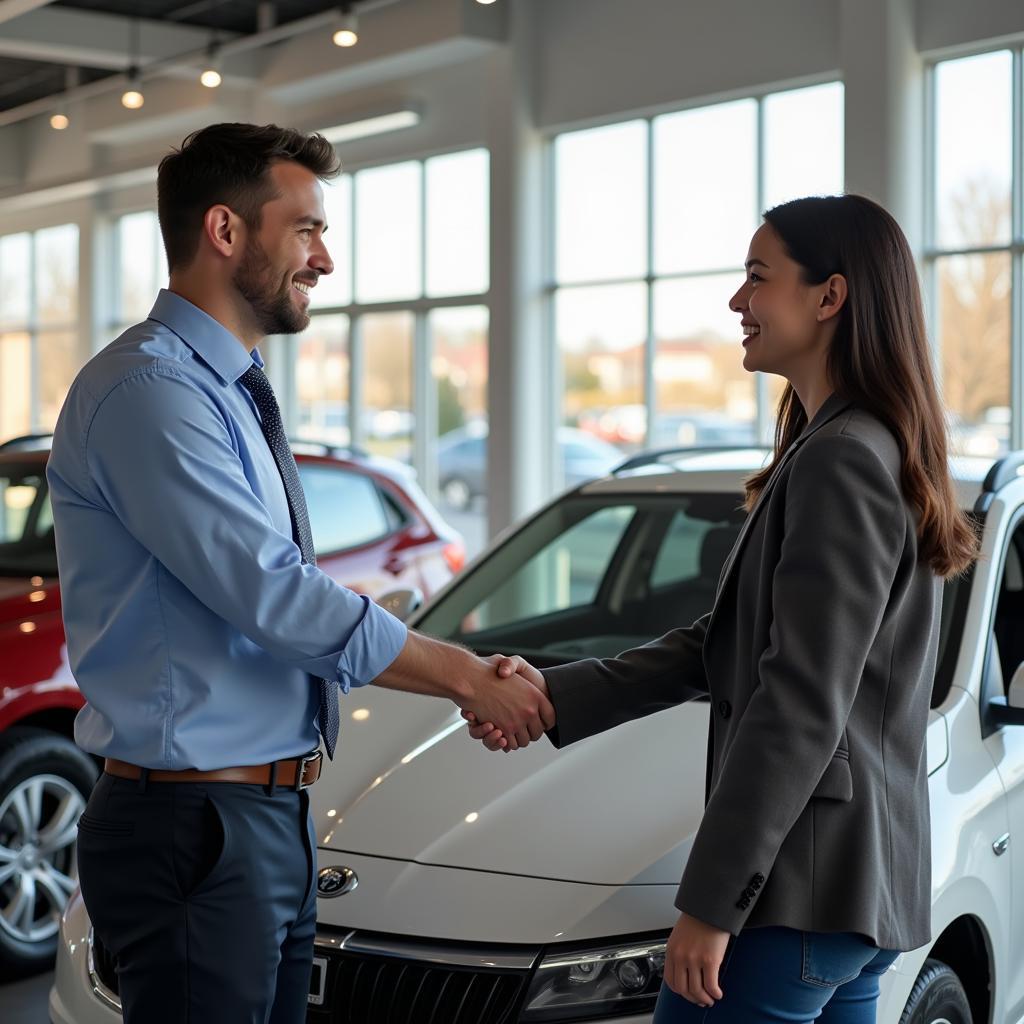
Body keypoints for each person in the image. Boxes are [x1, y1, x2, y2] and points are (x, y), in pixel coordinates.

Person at [47, 122, 553, 1024]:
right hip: (193, 823)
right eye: (307, 229)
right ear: (226, 232)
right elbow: (274, 594)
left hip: (262, 814)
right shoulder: (148, 393)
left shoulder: (225, 391)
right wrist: (467, 678)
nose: (323, 259)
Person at [465, 194, 979, 1023]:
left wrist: (711, 905)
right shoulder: (853, 443)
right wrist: (559, 693)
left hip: (800, 891)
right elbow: (728, 641)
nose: (738, 302)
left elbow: (801, 703)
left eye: (756, 277)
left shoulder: (842, 460)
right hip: (849, 891)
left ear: (829, 297)